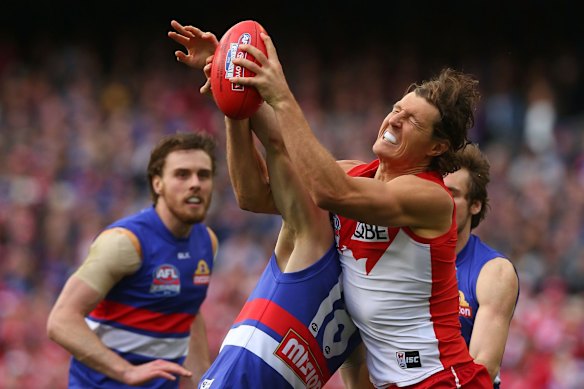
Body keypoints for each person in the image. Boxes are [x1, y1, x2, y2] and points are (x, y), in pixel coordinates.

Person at [228, 33, 493, 388]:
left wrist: (280, 95)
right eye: (397, 108)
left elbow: (327, 191)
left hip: (441, 380)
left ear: (437, 146)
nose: (395, 120)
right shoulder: (353, 173)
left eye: (412, 120)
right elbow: (254, 196)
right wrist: (231, 89)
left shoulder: (431, 198)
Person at [168, 21, 366, 389]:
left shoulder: (341, 263)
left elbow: (277, 153)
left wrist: (239, 80)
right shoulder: (361, 282)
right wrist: (230, 83)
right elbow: (252, 193)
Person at [47, 132, 219, 389]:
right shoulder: (125, 242)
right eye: (182, 175)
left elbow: (189, 312)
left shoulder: (207, 242)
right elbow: (61, 320)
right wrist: (126, 372)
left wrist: (204, 381)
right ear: (157, 183)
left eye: (203, 175)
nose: (195, 184)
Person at [444, 143, 520, 388]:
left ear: (475, 205)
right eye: (437, 191)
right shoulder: (406, 257)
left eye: (453, 194)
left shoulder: (494, 271)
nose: (442, 202)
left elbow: (481, 369)